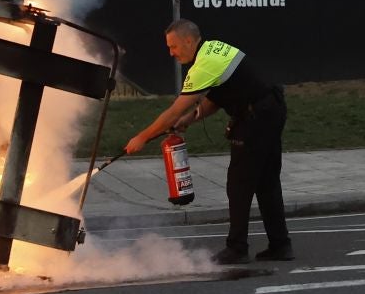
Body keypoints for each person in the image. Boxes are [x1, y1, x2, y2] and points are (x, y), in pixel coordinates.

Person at [125, 19, 293, 264]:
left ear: (189, 41)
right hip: (271, 109)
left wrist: (142, 137)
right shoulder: (213, 49)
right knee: (267, 182)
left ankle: (237, 249)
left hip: (255, 118)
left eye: (173, 46)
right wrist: (189, 119)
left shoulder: (204, 65)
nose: (171, 53)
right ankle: (280, 245)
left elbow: (173, 111)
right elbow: (216, 98)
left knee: (238, 184)